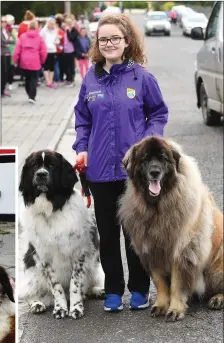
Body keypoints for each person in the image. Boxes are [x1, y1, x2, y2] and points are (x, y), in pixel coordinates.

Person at [72, 14, 169, 312]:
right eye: (104, 39)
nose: (110, 43)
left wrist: (146, 146)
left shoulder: (142, 77)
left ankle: (140, 289)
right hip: (99, 171)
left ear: (127, 42)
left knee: (136, 234)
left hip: (134, 174)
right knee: (108, 233)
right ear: (97, 44)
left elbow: (158, 114)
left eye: (115, 38)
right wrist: (81, 148)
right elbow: (82, 120)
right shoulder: (90, 78)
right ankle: (113, 290)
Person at [13, 20, 47, 103]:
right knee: (34, 79)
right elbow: (43, 51)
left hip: (24, 61)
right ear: (37, 27)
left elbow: (17, 50)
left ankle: (29, 94)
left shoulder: (22, 37)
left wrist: (15, 60)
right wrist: (42, 61)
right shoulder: (39, 38)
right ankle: (32, 96)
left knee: (27, 78)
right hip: (35, 61)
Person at [40, 17, 59, 88]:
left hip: (53, 50)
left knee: (52, 67)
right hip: (46, 51)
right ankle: (48, 81)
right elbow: (40, 39)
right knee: (46, 66)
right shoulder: (43, 31)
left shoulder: (55, 30)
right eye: (51, 23)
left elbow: (57, 40)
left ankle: (50, 81)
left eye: (53, 24)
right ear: (48, 23)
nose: (52, 25)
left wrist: (56, 42)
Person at [1, 16, 15, 97]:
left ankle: (3, 90)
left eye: (5, 21)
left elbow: (6, 41)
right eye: (2, 21)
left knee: (6, 72)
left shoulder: (6, 30)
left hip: (7, 52)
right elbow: (3, 41)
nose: (4, 23)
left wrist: (9, 42)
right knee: (2, 73)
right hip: (2, 54)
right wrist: (12, 41)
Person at [63, 17, 79, 87]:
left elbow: (71, 38)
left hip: (71, 51)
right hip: (65, 50)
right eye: (67, 23)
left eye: (69, 23)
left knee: (71, 66)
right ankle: (68, 79)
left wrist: (68, 31)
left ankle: (72, 80)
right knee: (66, 66)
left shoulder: (74, 30)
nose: (68, 25)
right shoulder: (64, 30)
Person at [6, 14, 17, 90]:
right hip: (11, 51)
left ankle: (7, 83)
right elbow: (16, 40)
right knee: (10, 68)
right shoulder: (12, 30)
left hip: (8, 51)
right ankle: (9, 83)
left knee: (6, 68)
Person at [54, 14, 65, 85]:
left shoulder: (56, 31)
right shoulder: (61, 31)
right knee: (59, 65)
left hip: (55, 50)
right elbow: (63, 41)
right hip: (60, 50)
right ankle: (59, 78)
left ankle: (57, 78)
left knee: (56, 65)